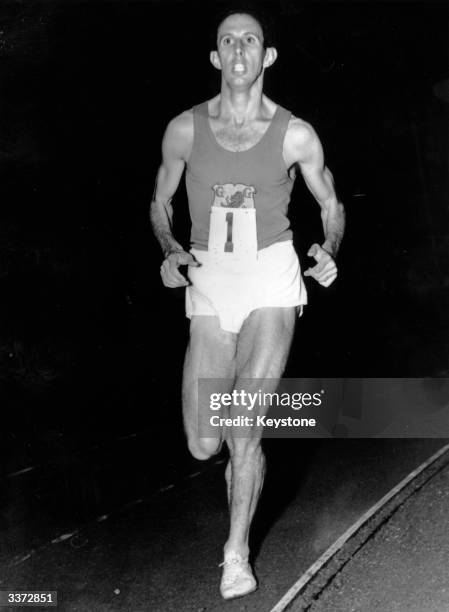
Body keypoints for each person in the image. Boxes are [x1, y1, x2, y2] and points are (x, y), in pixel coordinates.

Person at [150, 7, 345, 600]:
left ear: (267, 57)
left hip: (270, 276)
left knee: (244, 425)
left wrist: (329, 245)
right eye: (227, 41)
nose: (239, 51)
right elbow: (159, 201)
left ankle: (236, 553)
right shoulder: (184, 129)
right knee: (203, 442)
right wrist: (169, 246)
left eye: (250, 40)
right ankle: (237, 473)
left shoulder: (295, 133)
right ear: (215, 57)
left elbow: (332, 203)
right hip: (210, 278)